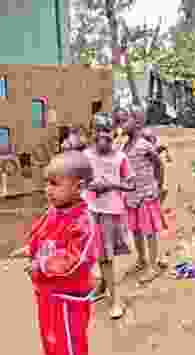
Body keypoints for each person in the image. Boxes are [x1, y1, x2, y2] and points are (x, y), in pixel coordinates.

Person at [22, 151, 101, 355]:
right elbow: (40, 233)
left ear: (78, 187)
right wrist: (29, 249)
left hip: (69, 296)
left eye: (55, 184)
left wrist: (41, 265)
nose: (48, 190)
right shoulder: (55, 211)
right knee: (50, 338)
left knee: (70, 341)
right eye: (47, 183)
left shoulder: (84, 221)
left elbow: (74, 259)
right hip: (47, 291)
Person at [83, 113, 134, 319]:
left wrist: (111, 185)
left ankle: (115, 301)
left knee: (106, 257)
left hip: (110, 212)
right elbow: (80, 181)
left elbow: (131, 184)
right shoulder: (86, 156)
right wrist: (90, 185)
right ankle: (103, 287)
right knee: (98, 254)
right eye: (97, 131)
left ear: (112, 133)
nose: (102, 137)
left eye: (106, 131)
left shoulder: (120, 158)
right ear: (92, 133)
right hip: (91, 209)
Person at [122, 107, 166, 282]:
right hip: (132, 196)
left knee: (149, 231)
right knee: (136, 229)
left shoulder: (144, 145)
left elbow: (159, 164)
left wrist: (158, 186)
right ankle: (141, 259)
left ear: (138, 123)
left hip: (146, 194)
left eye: (125, 120)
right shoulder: (124, 146)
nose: (121, 124)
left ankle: (153, 265)